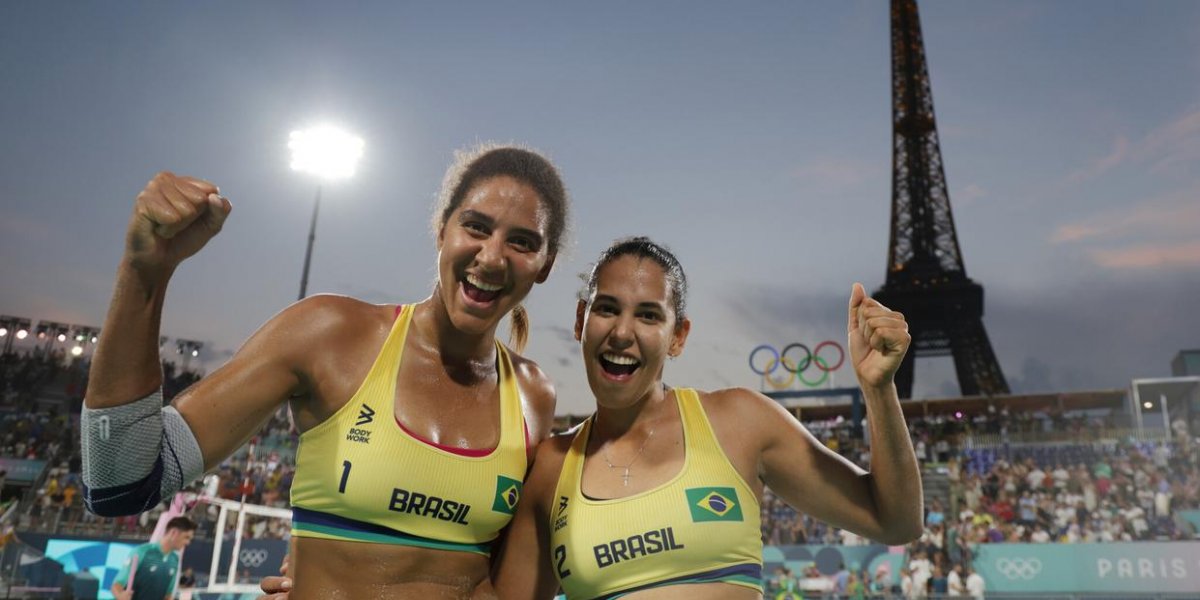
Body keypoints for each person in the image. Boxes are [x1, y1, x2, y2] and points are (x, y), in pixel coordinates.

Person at [82, 145, 570, 598]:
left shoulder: (533, 396)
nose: (492, 256)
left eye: (522, 242)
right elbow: (119, 480)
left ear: (544, 265)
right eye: (476, 227)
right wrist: (144, 273)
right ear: (442, 229)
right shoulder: (331, 335)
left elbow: (512, 579)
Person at [489, 237, 922, 598]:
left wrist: (878, 390)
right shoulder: (550, 469)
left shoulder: (740, 423)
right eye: (607, 308)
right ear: (582, 320)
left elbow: (895, 521)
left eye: (648, 315)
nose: (622, 332)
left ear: (678, 337)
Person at [111, 516, 196, 600]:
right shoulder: (142, 552)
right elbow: (117, 585)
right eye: (186, 537)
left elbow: (168, 595)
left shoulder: (174, 560)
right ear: (173, 532)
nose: (188, 543)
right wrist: (121, 596)